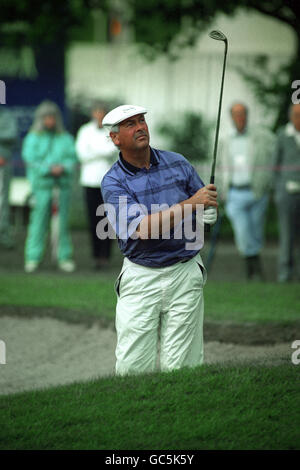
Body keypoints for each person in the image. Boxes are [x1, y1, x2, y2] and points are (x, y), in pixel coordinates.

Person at [101, 104, 218, 376]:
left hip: (185, 270)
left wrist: (210, 208)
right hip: (141, 276)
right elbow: (142, 229)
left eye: (142, 120)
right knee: (133, 369)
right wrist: (193, 204)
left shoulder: (178, 162)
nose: (141, 126)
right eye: (130, 124)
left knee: (182, 369)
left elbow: (204, 200)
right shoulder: (113, 182)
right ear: (115, 138)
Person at [217, 102, 276, 280]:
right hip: (235, 193)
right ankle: (253, 266)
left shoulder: (260, 136)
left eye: (243, 114)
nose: (240, 118)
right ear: (231, 117)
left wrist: (267, 180)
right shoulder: (225, 139)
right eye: (236, 114)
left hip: (256, 191)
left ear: (247, 116)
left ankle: (253, 268)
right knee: (242, 231)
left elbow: (274, 155)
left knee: (256, 231)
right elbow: (220, 166)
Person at [22, 100, 77, 273]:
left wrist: (63, 168)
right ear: (40, 119)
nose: (50, 121)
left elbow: (72, 158)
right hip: (41, 187)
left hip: (62, 187)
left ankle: (63, 257)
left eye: (52, 117)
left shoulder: (65, 137)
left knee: (62, 224)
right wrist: (48, 169)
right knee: (37, 223)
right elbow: (30, 158)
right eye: (46, 117)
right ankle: (33, 257)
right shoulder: (33, 137)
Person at [75, 100, 116, 269]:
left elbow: (112, 150)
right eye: (97, 111)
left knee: (109, 219)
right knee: (93, 220)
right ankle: (96, 256)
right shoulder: (84, 131)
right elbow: (82, 154)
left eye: (102, 111)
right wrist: (100, 152)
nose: (99, 115)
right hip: (90, 181)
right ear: (93, 113)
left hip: (109, 182)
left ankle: (106, 256)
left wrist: (93, 151)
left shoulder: (112, 130)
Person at [273, 103, 300, 282]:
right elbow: (275, 165)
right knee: (286, 234)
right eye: (297, 115)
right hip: (287, 192)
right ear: (291, 116)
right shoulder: (283, 135)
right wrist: (278, 190)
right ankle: (285, 272)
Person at [0, 107, 18, 249]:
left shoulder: (6, 116)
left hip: (2, 164)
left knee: (2, 200)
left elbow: (11, 134)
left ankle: (3, 235)